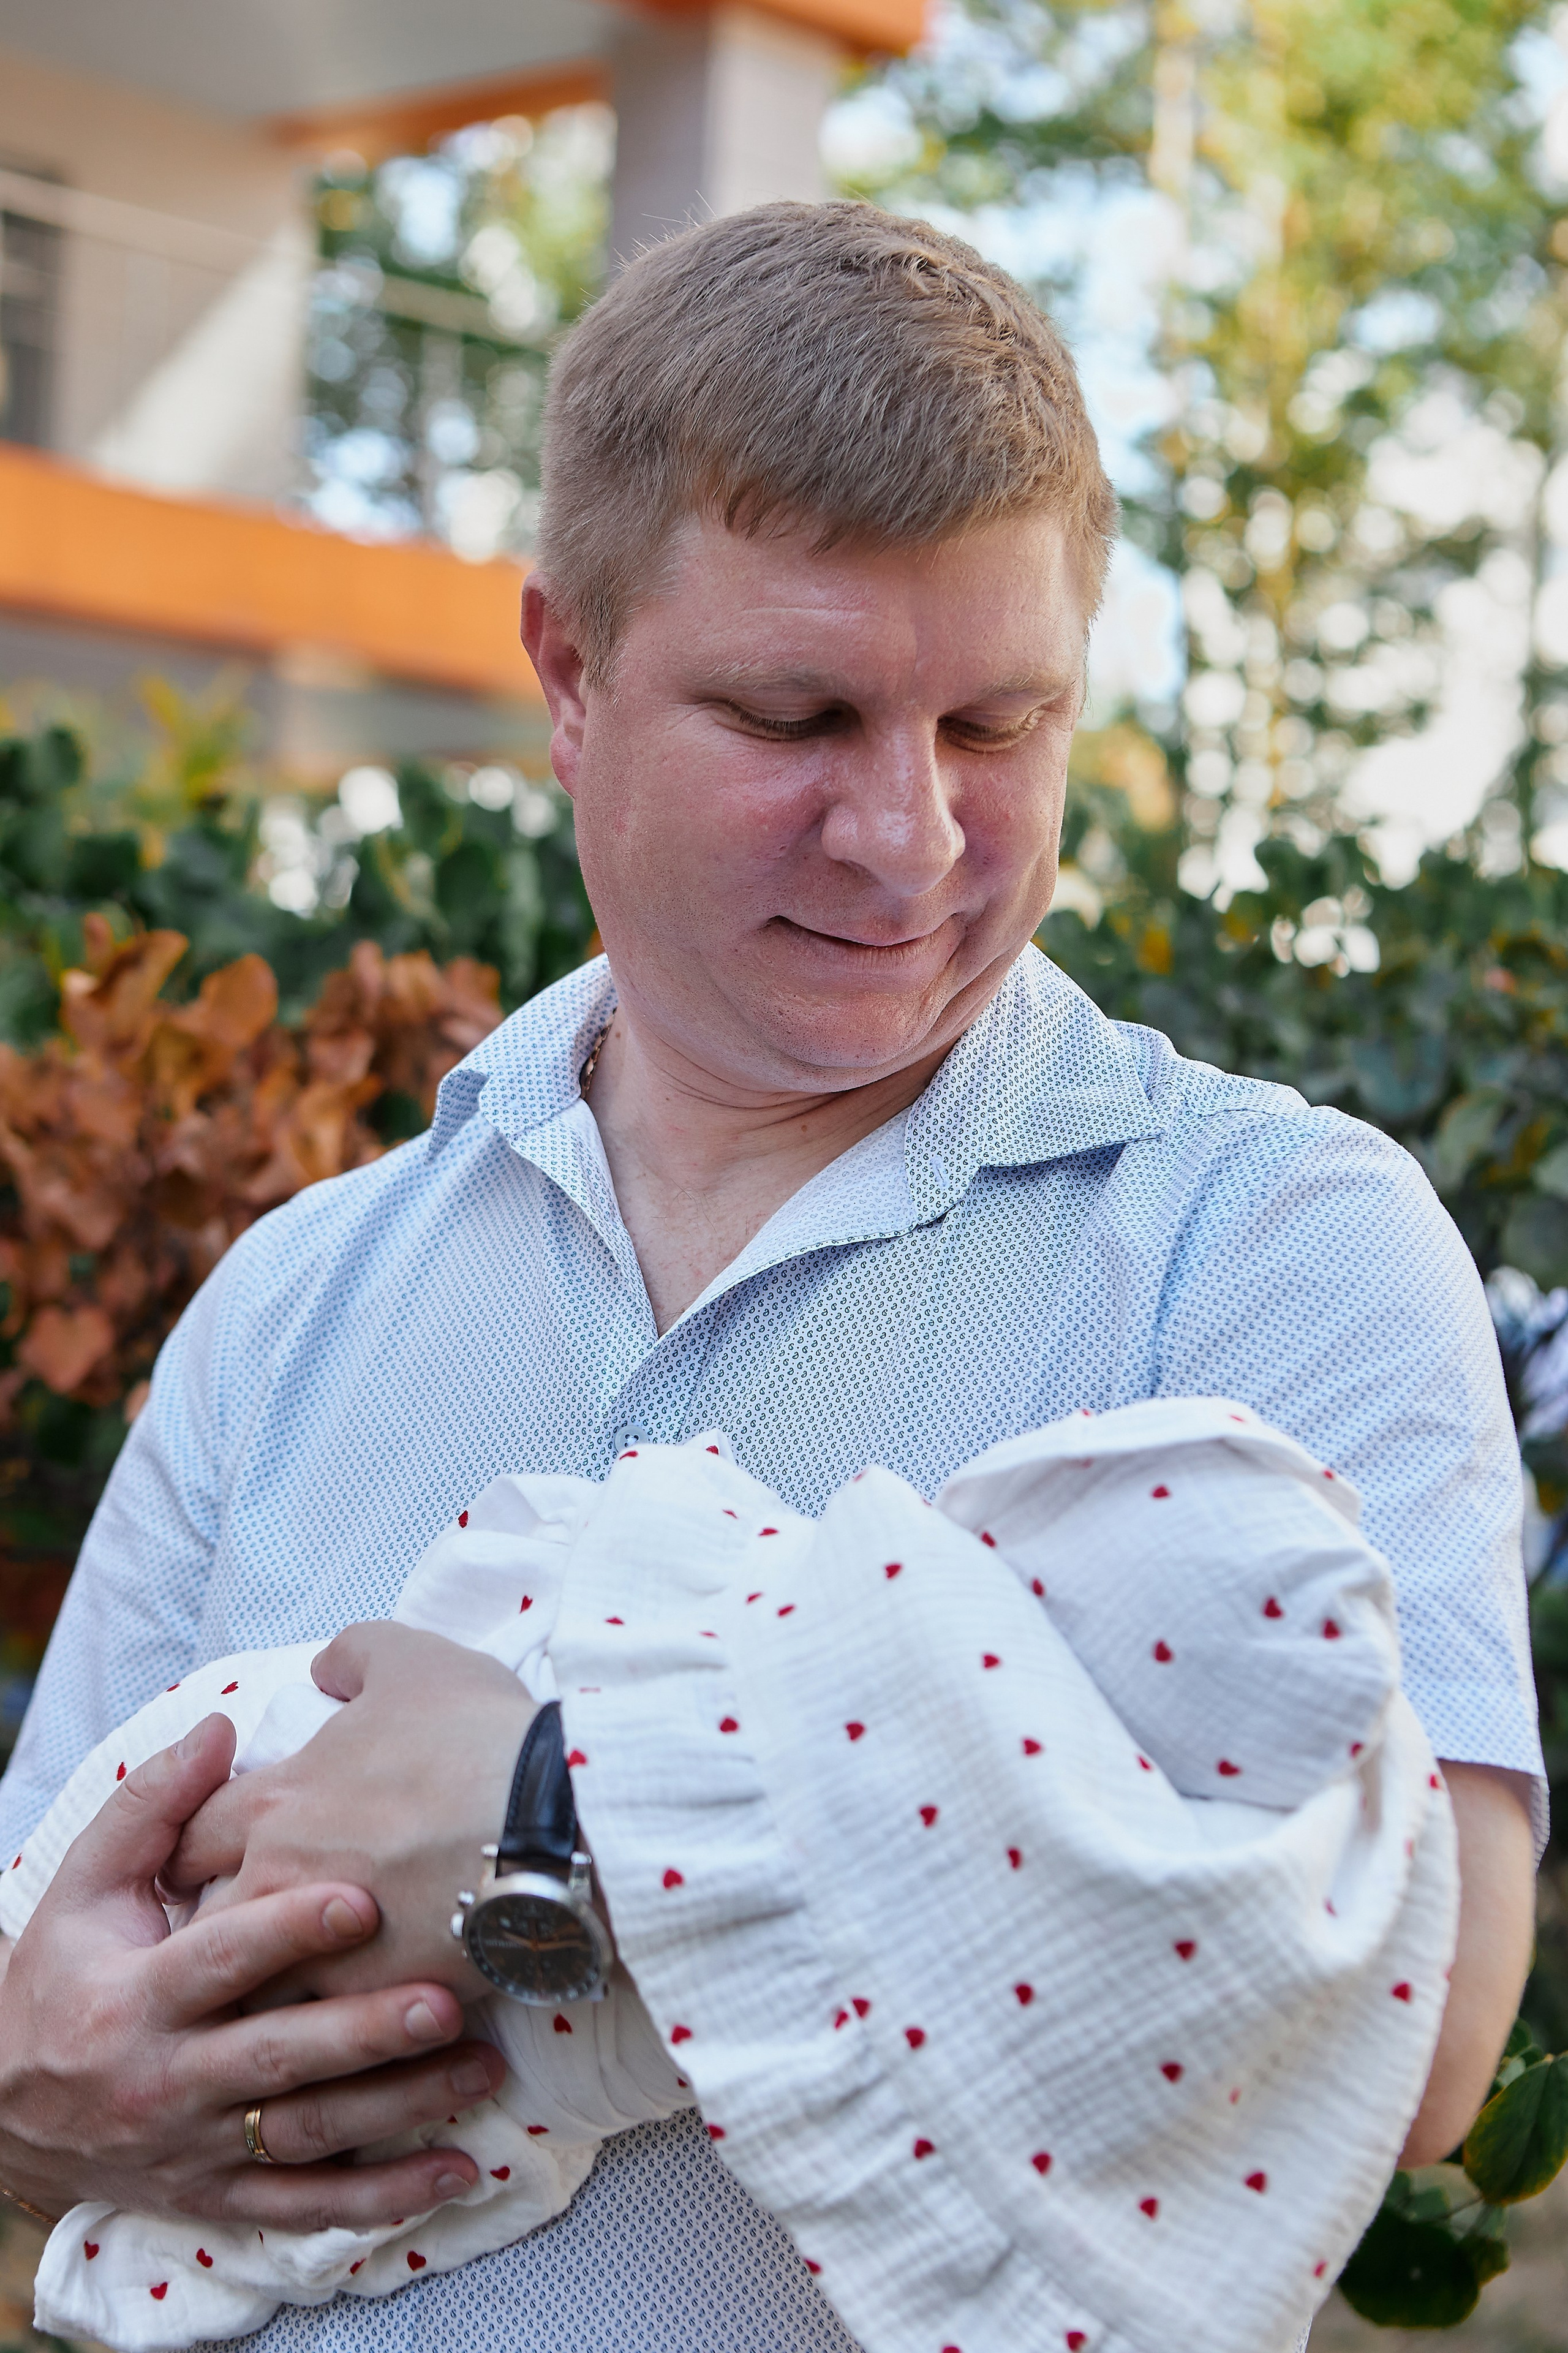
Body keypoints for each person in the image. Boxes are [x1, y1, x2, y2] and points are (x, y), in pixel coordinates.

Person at [0, 201, 1541, 2353]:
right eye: (800, 712)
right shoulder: (296, 1293)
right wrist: (48, 2100)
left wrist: (567, 1814)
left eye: (998, 725)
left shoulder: (1270, 1243)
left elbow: (1413, 2022)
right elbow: (30, 1980)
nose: (907, 837)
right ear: (567, 671)